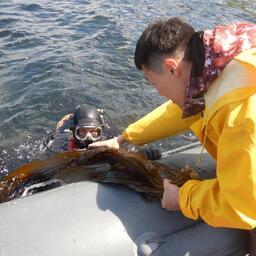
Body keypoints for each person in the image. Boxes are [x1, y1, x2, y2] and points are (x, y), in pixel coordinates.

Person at [89, 17, 256, 249]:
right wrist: (124, 138)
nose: (158, 92)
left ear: (171, 67)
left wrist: (182, 198)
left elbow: (245, 205)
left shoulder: (241, 114)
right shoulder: (224, 62)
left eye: (153, 83)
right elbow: (181, 110)